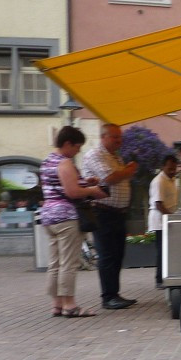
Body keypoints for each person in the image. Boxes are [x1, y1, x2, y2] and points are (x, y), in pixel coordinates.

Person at [39, 126, 109, 317]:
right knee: (69, 263)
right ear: (68, 143)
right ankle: (70, 305)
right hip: (66, 217)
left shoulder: (47, 162)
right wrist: (92, 190)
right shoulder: (65, 163)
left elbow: (59, 186)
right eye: (77, 147)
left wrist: (85, 181)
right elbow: (72, 192)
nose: (78, 151)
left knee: (55, 263)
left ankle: (56, 305)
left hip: (49, 217)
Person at [81, 123, 138, 310]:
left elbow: (117, 177)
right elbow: (109, 178)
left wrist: (125, 170)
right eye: (115, 137)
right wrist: (128, 171)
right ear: (103, 137)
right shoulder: (95, 155)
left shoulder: (116, 157)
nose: (119, 140)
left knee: (117, 254)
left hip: (118, 213)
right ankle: (108, 297)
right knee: (107, 255)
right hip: (103, 211)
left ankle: (115, 293)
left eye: (120, 137)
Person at [149, 154, 179, 289]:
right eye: (170, 168)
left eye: (174, 168)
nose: (173, 171)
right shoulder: (159, 181)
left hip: (169, 219)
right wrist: (171, 216)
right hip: (160, 221)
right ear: (163, 167)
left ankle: (167, 276)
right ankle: (159, 279)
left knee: (168, 251)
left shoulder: (171, 180)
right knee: (162, 251)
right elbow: (158, 204)